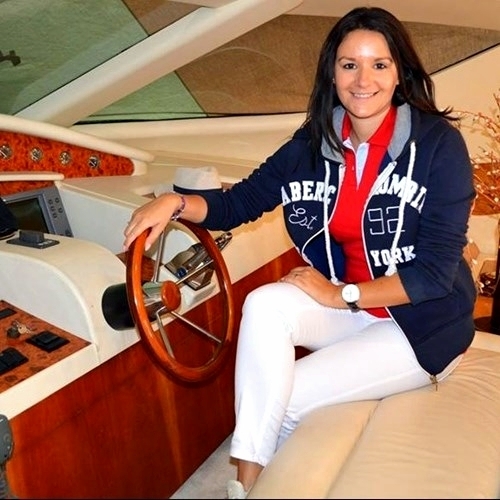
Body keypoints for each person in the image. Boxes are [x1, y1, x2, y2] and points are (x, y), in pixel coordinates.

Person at [123, 6, 477, 499]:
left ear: (400, 73)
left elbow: (434, 276)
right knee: (264, 303)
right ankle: (247, 485)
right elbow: (239, 202)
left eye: (379, 64)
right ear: (332, 72)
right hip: (352, 311)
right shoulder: (313, 143)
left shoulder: (439, 146)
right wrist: (175, 202)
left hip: (419, 327)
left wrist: (337, 295)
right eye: (350, 64)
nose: (363, 80)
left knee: (283, 403)